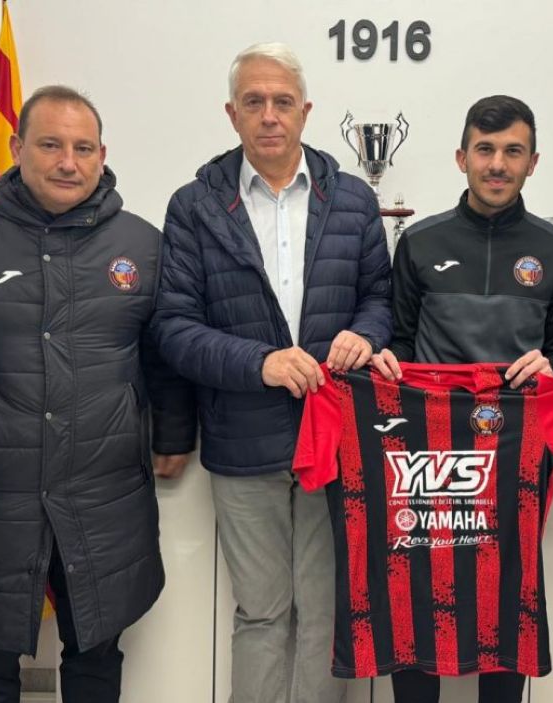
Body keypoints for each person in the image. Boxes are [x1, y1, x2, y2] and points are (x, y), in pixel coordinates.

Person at [0, 85, 196, 702]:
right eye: (50, 145)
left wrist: (174, 434)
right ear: (18, 147)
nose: (67, 162)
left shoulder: (142, 244)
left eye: (82, 148)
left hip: (106, 490)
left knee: (97, 651)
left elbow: (164, 352)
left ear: (103, 155)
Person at [150, 42, 392, 703]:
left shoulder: (353, 202)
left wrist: (363, 335)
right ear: (232, 113)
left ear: (306, 111)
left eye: (282, 101)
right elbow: (173, 327)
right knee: (261, 614)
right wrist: (259, 363)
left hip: (335, 437)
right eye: (254, 102)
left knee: (324, 613)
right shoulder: (195, 206)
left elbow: (381, 299)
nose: (269, 115)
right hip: (242, 437)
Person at [370, 95, 553, 703]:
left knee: (505, 594)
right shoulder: (418, 243)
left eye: (512, 151)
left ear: (533, 162)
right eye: (485, 150)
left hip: (515, 456)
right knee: (416, 593)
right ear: (462, 157)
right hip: (424, 457)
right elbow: (400, 344)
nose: (497, 164)